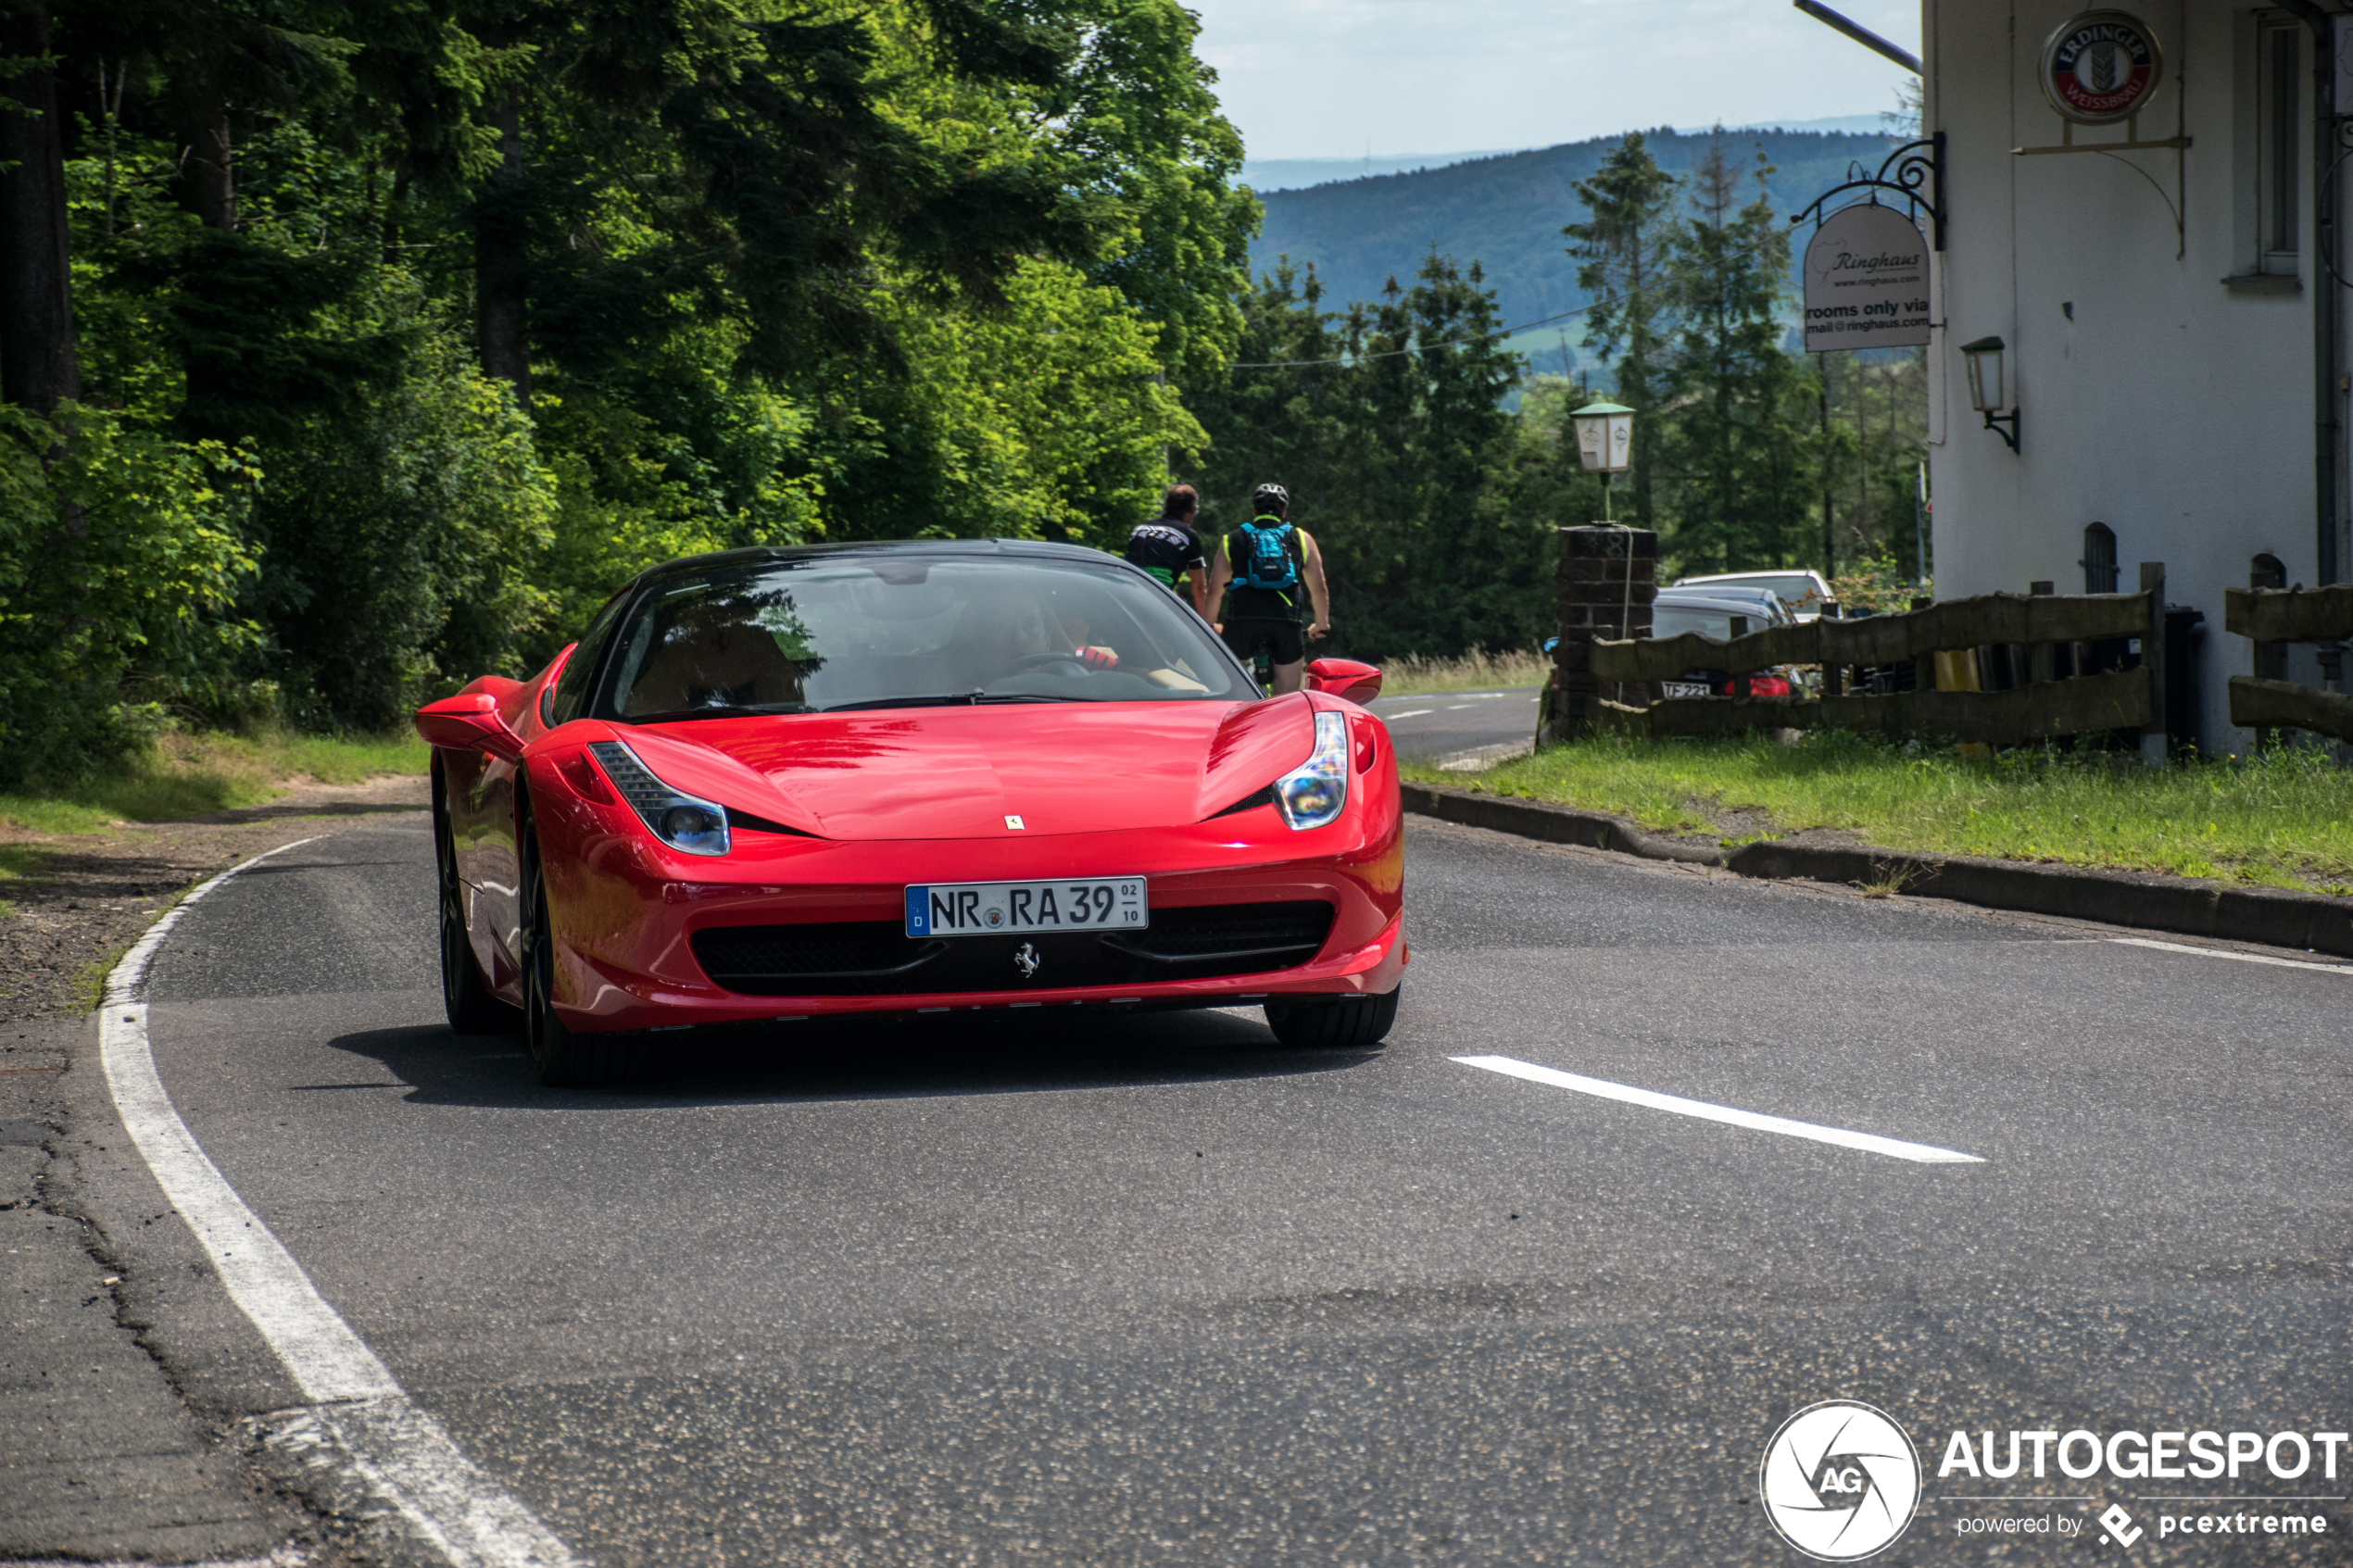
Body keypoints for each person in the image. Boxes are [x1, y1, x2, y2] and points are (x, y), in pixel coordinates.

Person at [1205, 483, 1329, 694]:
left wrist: (1209, 625)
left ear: (1254, 510)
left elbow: (1215, 591)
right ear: (1284, 512)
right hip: (1286, 624)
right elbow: (1319, 589)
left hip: (1241, 624)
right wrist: (1321, 623)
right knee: (1286, 703)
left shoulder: (1233, 539)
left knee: (1231, 698)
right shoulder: (1302, 538)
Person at [1124, 484, 1212, 618]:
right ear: (1192, 510)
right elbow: (1198, 588)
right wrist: (1207, 625)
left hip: (1126, 598)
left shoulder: (1139, 529)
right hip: (1158, 600)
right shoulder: (1188, 535)